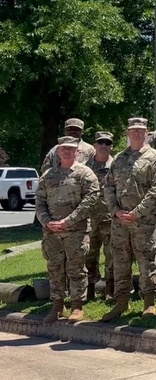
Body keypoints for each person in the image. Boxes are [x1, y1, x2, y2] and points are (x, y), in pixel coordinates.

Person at [102, 118, 156, 322]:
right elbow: (108, 187)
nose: (137, 134)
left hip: (144, 222)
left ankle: (149, 303)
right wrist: (115, 211)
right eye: (133, 131)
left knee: (147, 262)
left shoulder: (154, 158)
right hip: (120, 222)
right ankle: (121, 302)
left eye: (141, 131)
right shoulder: (119, 159)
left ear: (146, 133)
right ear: (127, 133)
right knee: (120, 262)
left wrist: (137, 212)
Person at [37, 137, 100, 323]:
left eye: (70, 149)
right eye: (63, 149)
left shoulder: (85, 174)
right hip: (52, 233)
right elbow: (39, 203)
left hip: (75, 231)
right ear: (58, 151)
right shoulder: (48, 175)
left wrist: (68, 221)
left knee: (76, 269)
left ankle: (77, 306)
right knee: (54, 268)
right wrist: (47, 222)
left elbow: (91, 199)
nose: (66, 152)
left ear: (77, 152)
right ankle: (57, 305)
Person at [84, 131, 114, 301]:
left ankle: (109, 288)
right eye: (100, 142)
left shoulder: (117, 165)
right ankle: (89, 289)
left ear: (111, 146)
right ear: (94, 145)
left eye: (107, 143)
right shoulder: (84, 166)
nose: (104, 146)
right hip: (89, 219)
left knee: (112, 255)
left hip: (110, 218)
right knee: (89, 254)